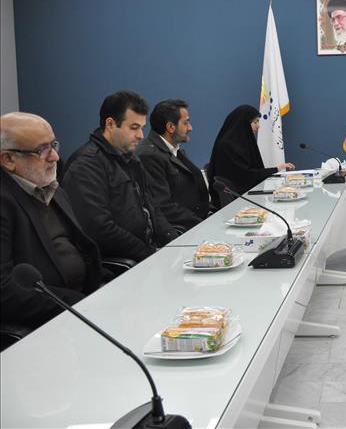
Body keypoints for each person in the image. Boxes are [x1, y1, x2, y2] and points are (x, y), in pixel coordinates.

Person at [1, 112, 104, 335]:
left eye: (53, 145)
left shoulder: (48, 186)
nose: (55, 156)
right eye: (42, 150)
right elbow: (4, 291)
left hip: (84, 301)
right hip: (50, 322)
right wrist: (78, 305)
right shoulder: (4, 202)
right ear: (8, 159)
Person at [63, 90, 177, 263]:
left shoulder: (131, 159)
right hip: (124, 263)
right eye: (134, 128)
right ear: (110, 124)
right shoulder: (85, 165)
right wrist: (149, 255)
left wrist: (173, 241)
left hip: (148, 252)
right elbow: (100, 229)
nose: (141, 135)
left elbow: (151, 207)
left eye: (142, 128)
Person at [136, 99, 210, 233]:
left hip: (195, 223)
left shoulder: (174, 149)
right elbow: (164, 206)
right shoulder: (149, 156)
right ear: (170, 127)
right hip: (181, 231)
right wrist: (202, 225)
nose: (190, 128)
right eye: (186, 123)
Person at [207, 104, 294, 206]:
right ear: (242, 123)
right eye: (255, 122)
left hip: (248, 196)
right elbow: (246, 177)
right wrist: (276, 168)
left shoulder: (244, 142)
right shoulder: (227, 146)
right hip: (237, 203)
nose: (258, 126)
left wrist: (277, 169)